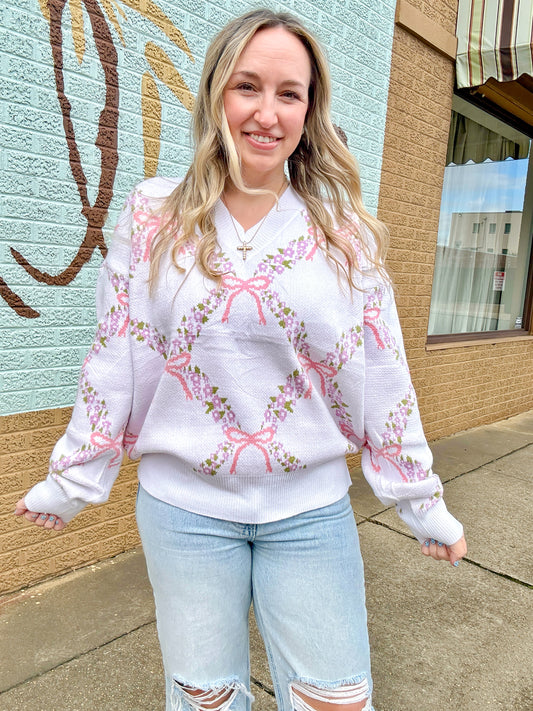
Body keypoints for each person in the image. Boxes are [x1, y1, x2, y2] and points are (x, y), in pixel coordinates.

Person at [15, 9, 467, 711]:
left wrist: (419, 498)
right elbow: (117, 356)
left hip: (310, 512)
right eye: (246, 86)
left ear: (309, 109)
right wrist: (75, 478)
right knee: (205, 701)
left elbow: (380, 375)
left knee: (337, 698)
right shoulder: (152, 215)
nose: (266, 111)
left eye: (289, 92)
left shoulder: (342, 233)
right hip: (183, 511)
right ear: (214, 94)